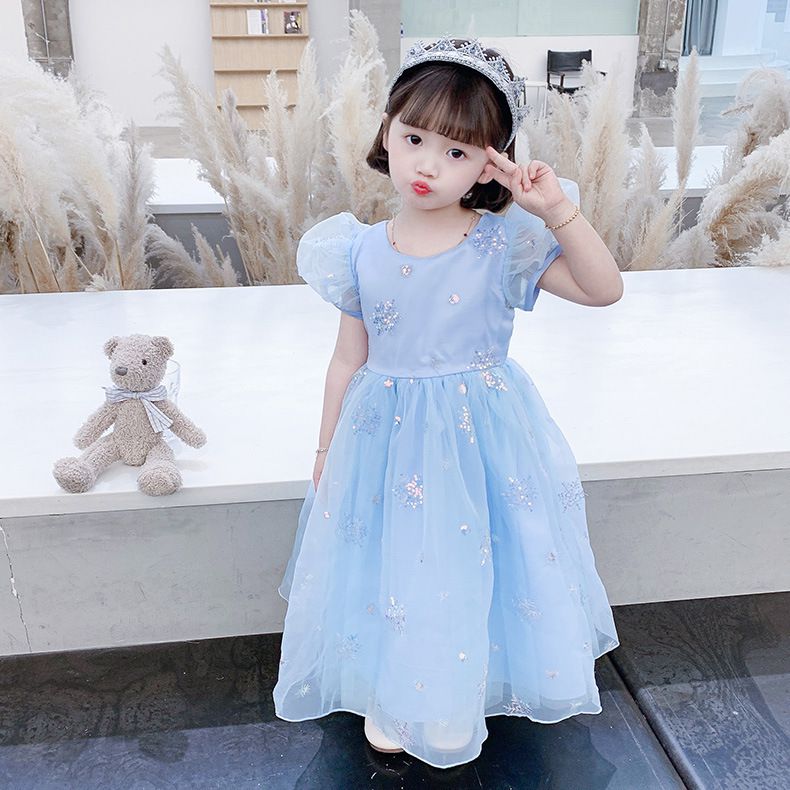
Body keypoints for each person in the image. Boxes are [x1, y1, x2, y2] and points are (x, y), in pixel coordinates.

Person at [273, 36, 623, 770]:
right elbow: (346, 360)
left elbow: (603, 289)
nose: (428, 165)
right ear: (387, 133)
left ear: (491, 162)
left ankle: (458, 693)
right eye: (414, 139)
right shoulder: (358, 250)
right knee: (396, 562)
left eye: (457, 151)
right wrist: (325, 449)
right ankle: (398, 689)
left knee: (470, 559)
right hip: (385, 437)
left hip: (480, 438)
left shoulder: (503, 242)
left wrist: (553, 207)